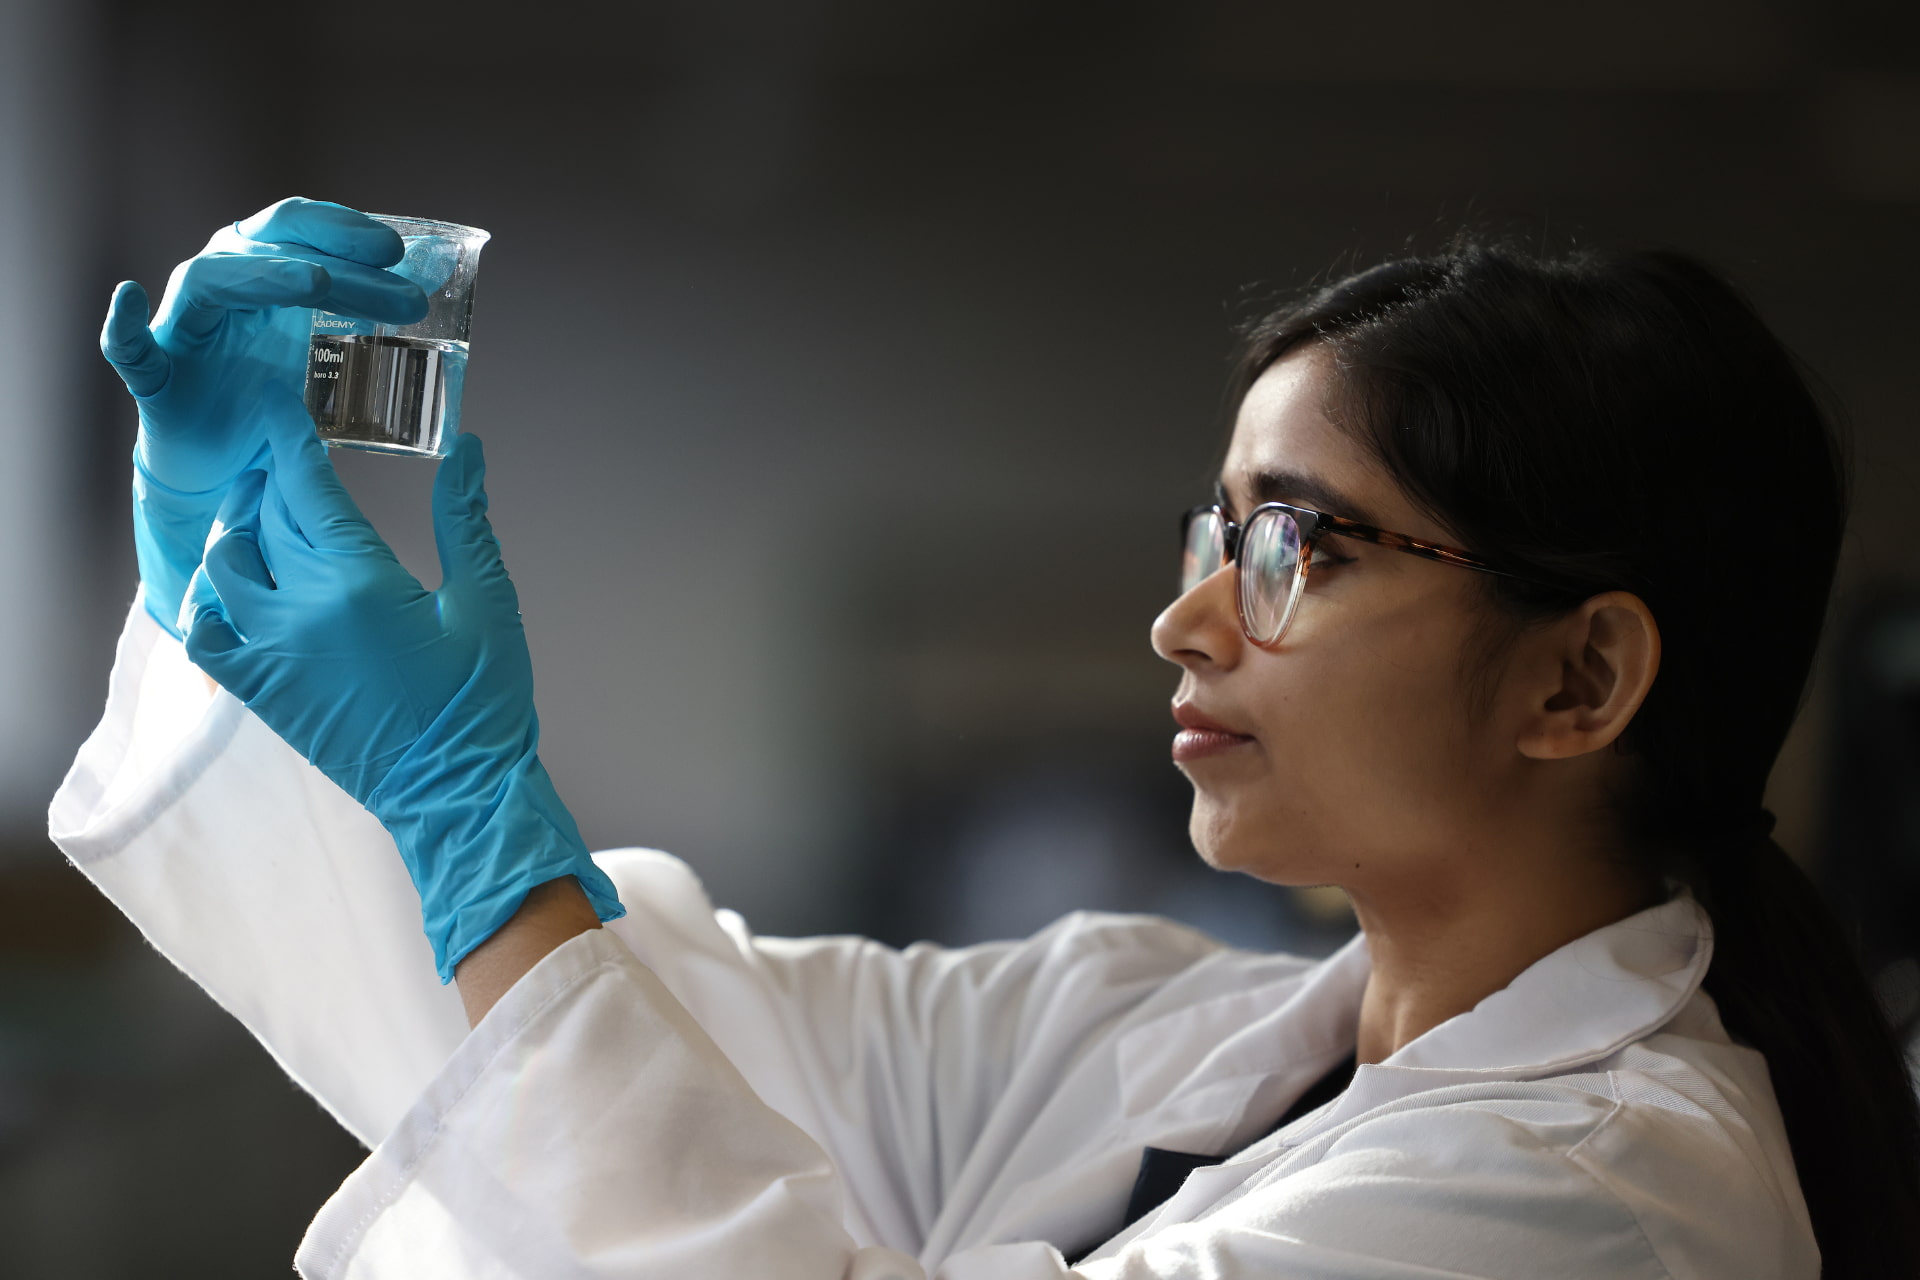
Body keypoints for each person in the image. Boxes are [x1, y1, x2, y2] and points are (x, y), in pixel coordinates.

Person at [51, 197, 1920, 1279]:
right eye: (1214, 535)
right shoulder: (1160, 1032)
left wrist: (475, 807)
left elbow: (602, 1118)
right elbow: (624, 1058)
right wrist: (254, 614)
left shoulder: (1592, 1201)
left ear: (1580, 681)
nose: (1189, 621)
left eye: (1299, 547)